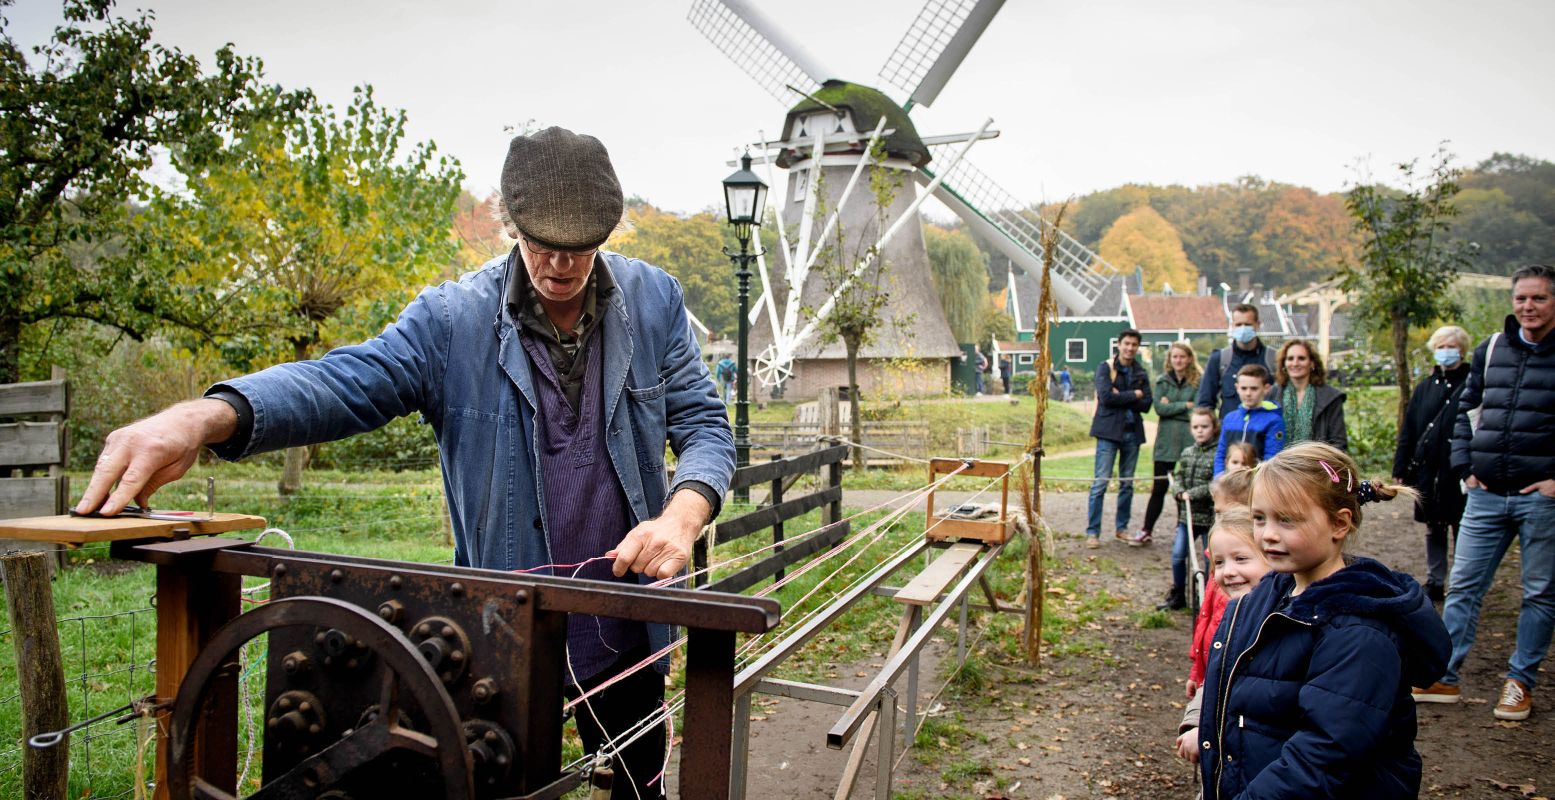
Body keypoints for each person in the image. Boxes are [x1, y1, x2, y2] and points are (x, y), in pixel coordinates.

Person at [73, 127, 732, 800]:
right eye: (540, 245)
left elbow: (705, 425)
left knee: (636, 783)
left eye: (579, 250)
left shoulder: (655, 302)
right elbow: (344, 381)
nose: (560, 266)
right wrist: (205, 417)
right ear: (510, 224)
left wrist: (682, 516)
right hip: (497, 631)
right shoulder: (451, 321)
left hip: (625, 620)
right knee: (493, 784)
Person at [1198, 443, 1450, 797]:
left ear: (1339, 523)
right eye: (1259, 518)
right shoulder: (1265, 596)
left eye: (1287, 519)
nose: (1268, 533)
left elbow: (1323, 757)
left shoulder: (1358, 632)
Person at [1416, 264, 1555, 721]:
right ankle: (1444, 675)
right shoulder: (1492, 349)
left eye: (1538, 298)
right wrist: (1464, 467)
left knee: (1538, 592)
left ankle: (1520, 682)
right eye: (1522, 299)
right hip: (1486, 492)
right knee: (1463, 586)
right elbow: (1466, 410)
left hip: (1542, 497)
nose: (1528, 307)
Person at [1176, 506, 1268, 767]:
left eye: (1241, 559)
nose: (1227, 571)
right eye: (1218, 562)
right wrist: (1195, 720)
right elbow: (1220, 678)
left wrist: (1208, 735)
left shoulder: (1273, 623)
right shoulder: (1237, 616)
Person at [1391, 325, 1473, 603]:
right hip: (1429, 469)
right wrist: (1400, 467)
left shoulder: (1473, 383)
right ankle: (1435, 580)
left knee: (1462, 525)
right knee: (1433, 525)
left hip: (1458, 469)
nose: (1445, 351)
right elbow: (1410, 429)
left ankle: (1464, 581)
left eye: (1450, 346)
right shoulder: (1425, 387)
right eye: (1440, 347)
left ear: (1461, 349)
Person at [1085, 328, 1152, 548]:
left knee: (1127, 484)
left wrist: (1120, 396)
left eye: (1134, 344)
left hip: (1132, 433)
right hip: (1108, 432)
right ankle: (1093, 532)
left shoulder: (1141, 372)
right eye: (1127, 344)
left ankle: (1121, 528)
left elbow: (1147, 404)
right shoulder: (1106, 368)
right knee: (1100, 482)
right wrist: (1134, 394)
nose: (1130, 348)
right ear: (1119, 345)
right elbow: (1105, 397)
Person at [1137, 342, 1201, 547]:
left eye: (1182, 356)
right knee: (1159, 487)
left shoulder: (1198, 382)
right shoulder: (1163, 381)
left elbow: (1198, 410)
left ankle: (1181, 530)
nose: (1178, 360)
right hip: (1165, 443)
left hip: (1188, 441)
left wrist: (1171, 406)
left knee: (1184, 490)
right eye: (1175, 357)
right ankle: (1146, 529)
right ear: (1170, 359)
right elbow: (1159, 409)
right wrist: (1184, 405)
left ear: (1189, 358)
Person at [1158, 407, 1217, 610]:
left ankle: (1206, 598)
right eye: (1195, 427)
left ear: (1213, 427)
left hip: (1209, 520)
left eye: (1204, 427)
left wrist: (1192, 494)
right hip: (1187, 518)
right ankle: (1178, 594)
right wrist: (1178, 490)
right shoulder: (1187, 453)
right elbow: (1179, 477)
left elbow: (1215, 484)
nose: (1200, 431)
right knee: (1177, 555)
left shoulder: (1218, 454)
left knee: (1210, 561)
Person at [1196, 302, 1278, 418]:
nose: (1243, 328)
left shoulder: (1273, 359)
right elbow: (1205, 402)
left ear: (1258, 325)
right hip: (1231, 431)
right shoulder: (1219, 360)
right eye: (1238, 324)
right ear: (1232, 326)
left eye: (1247, 324)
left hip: (1265, 431)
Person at [1268, 339, 1348, 450]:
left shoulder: (1331, 398)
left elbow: (1339, 442)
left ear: (1312, 363)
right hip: (1279, 464)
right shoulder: (1272, 395)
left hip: (1316, 464)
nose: (1295, 363)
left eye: (1301, 358)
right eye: (1290, 358)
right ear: (1284, 364)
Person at [1213, 364, 1284, 475]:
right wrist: (1219, 478)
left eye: (1254, 388)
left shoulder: (1274, 421)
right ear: (1237, 388)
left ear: (1266, 389)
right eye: (1244, 388)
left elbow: (1271, 459)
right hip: (1229, 483)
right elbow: (1221, 453)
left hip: (1256, 483)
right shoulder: (1229, 418)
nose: (1248, 393)